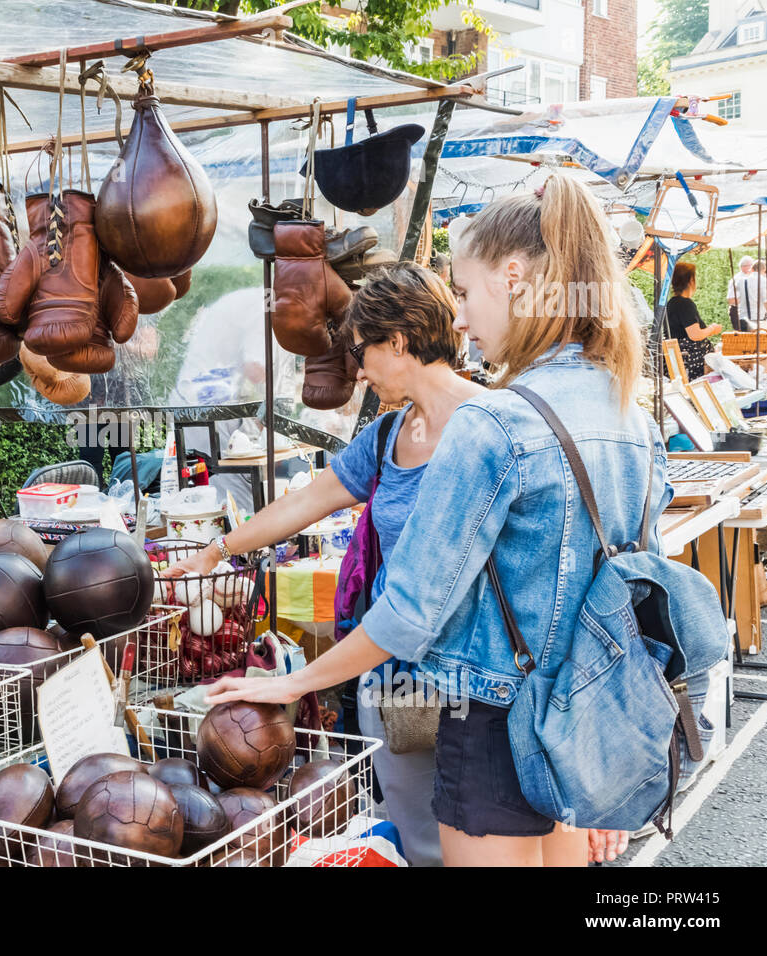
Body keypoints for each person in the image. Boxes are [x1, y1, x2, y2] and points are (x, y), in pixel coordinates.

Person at [205, 174, 657, 867]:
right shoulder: (627, 409)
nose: (465, 323)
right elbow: (637, 588)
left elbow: (411, 609)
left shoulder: (494, 423)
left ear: (513, 277)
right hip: (578, 719)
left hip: (493, 723)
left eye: (468, 294)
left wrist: (293, 683)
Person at [167, 262, 484, 866]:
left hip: (482, 679)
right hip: (396, 673)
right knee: (420, 838)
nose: (358, 370)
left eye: (364, 351)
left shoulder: (495, 425)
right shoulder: (389, 433)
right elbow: (307, 501)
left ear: (400, 340)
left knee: (488, 842)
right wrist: (217, 549)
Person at [667, 261, 721, 381]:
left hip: (680, 360)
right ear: (691, 280)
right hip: (691, 365)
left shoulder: (672, 302)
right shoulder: (685, 304)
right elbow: (695, 335)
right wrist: (713, 328)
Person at [727, 255, 767, 330]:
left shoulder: (755, 278)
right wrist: (747, 298)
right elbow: (730, 300)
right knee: (744, 337)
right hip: (738, 312)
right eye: (751, 265)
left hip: (754, 314)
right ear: (744, 266)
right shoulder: (737, 279)